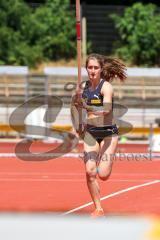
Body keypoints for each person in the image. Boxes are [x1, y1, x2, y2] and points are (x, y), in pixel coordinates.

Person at [71, 53, 127, 218]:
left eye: (96, 67)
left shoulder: (106, 87)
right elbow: (76, 109)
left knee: (103, 175)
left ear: (101, 69)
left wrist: (86, 106)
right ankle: (98, 208)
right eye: (90, 67)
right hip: (90, 133)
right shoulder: (82, 88)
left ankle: (106, 162)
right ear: (86, 69)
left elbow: (107, 109)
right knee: (89, 172)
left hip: (108, 133)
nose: (92, 70)